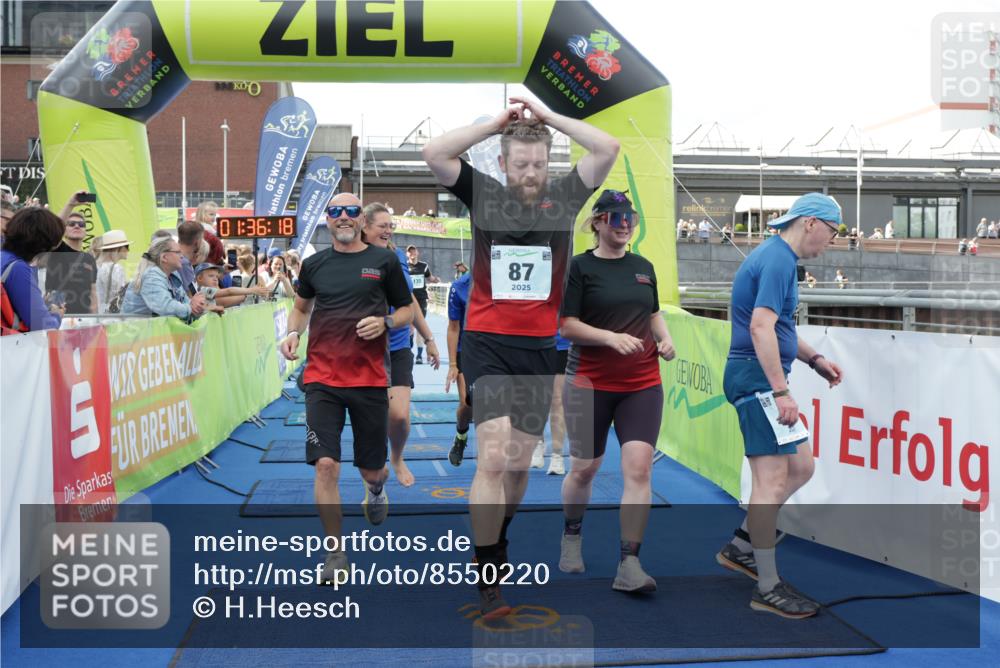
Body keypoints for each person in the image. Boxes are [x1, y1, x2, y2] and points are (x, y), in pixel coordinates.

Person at [422, 95, 619, 617]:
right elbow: (434, 153)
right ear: (504, 163)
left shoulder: (567, 196)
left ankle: (499, 536)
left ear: (548, 164)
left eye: (539, 163)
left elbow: (608, 146)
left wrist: (549, 119)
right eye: (521, 163)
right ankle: (489, 574)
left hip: (539, 348)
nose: (531, 172)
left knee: (516, 467)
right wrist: (495, 125)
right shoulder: (484, 194)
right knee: (493, 456)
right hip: (487, 344)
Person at [716, 192, 844, 619]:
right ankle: (767, 587)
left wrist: (815, 358)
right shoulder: (779, 260)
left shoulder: (777, 257)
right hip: (757, 380)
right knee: (769, 484)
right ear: (810, 223)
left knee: (802, 467)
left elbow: (781, 327)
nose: (831, 241)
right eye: (832, 231)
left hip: (760, 378)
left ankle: (743, 545)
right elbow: (760, 326)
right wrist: (781, 392)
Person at [278, 193, 413, 584]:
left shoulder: (383, 260)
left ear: (360, 219)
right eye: (335, 211)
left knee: (374, 471)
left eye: (351, 211)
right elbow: (302, 308)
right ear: (327, 219)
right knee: (326, 465)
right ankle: (335, 554)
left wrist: (386, 323)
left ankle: (374, 491)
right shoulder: (315, 264)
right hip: (322, 379)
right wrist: (291, 333)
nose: (343, 217)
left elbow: (405, 309)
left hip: (370, 379)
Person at [556, 190, 675, 592]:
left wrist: (665, 339)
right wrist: (610, 338)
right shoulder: (579, 267)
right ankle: (572, 534)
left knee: (640, 468)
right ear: (598, 222)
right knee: (585, 468)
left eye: (631, 218)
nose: (624, 224)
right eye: (616, 217)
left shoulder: (644, 267)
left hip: (641, 383)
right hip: (589, 382)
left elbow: (653, 312)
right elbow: (566, 326)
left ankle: (629, 563)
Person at [362, 202, 441, 487]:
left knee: (399, 418)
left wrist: (429, 338)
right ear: (365, 226)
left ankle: (396, 456)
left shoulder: (396, 256)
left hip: (397, 346)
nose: (387, 231)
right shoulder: (353, 258)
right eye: (382, 226)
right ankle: (372, 480)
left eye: (390, 226)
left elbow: (409, 303)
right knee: (372, 423)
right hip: (364, 350)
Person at [1, 207, 65, 332]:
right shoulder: (18, 268)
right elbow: (43, 326)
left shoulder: (4, 257)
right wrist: (57, 314)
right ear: (44, 243)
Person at [120, 236, 209, 321]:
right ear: (164, 257)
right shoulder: (151, 276)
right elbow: (165, 307)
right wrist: (191, 308)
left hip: (151, 333)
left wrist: (198, 307)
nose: (182, 256)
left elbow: (185, 303)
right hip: (137, 334)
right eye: (178, 252)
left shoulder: (173, 276)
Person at [45, 192, 98, 315]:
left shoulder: (89, 258)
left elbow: (93, 293)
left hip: (84, 320)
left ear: (86, 231)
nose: (77, 226)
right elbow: (53, 230)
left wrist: (95, 319)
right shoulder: (57, 249)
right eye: (71, 224)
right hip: (58, 318)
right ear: (64, 229)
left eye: (81, 224)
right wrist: (70, 204)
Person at [530, 327, 569, 475]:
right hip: (534, 342)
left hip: (561, 344)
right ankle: (538, 444)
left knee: (557, 399)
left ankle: (557, 457)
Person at [445, 269, 474, 466]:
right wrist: (453, 364)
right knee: (467, 403)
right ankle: (461, 437)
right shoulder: (460, 286)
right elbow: (453, 327)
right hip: (468, 351)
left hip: (497, 348)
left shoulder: (504, 282)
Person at [405, 244, 438, 364]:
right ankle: (409, 348)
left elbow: (429, 277)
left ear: (417, 253)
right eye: (410, 252)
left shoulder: (424, 266)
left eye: (414, 251)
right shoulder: (404, 266)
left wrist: (435, 280)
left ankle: (419, 355)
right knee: (410, 327)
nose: (412, 253)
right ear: (407, 254)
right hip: (408, 299)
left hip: (421, 299)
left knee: (419, 326)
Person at [194, 262, 268, 309]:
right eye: (211, 276)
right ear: (199, 278)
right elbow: (229, 291)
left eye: (217, 277)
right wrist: (251, 290)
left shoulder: (209, 289)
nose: (216, 279)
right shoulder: (203, 290)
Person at [95, 230, 130, 313]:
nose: (128, 250)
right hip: (113, 316)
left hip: (96, 316)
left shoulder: (93, 265)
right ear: (118, 248)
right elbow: (120, 296)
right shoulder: (116, 268)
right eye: (127, 246)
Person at [176, 220, 204, 294]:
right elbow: (192, 294)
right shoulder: (183, 263)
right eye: (201, 238)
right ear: (197, 241)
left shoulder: (175, 257)